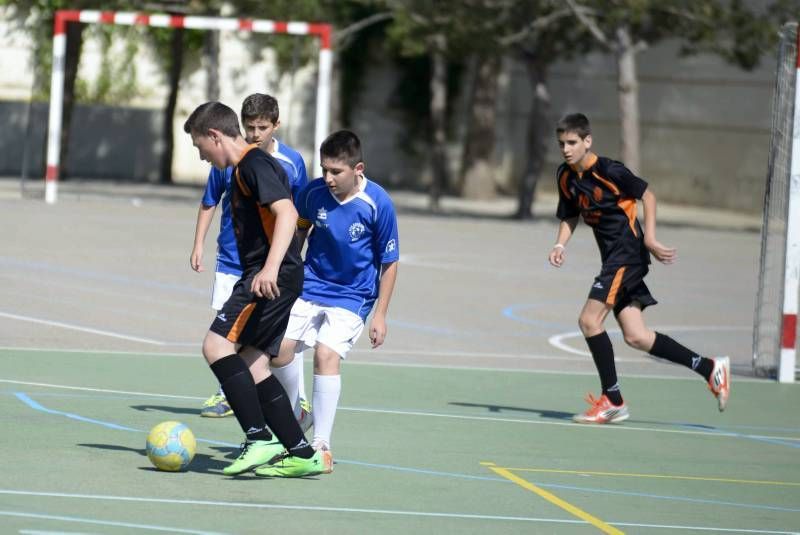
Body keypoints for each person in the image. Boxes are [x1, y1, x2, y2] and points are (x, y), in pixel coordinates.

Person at [548, 113, 730, 424]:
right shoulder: (566, 176)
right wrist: (560, 244)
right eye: (562, 143)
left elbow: (648, 195)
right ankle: (710, 368)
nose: (566, 148)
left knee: (589, 321)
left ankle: (612, 400)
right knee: (636, 336)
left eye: (572, 142)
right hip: (614, 259)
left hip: (627, 254)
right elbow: (570, 215)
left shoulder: (609, 170)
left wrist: (651, 238)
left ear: (587, 141)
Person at [184, 101, 331, 477]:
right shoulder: (242, 169)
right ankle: (302, 453)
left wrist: (268, 268)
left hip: (269, 277)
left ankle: (258, 438)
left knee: (215, 346)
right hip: (272, 274)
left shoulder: (253, 164)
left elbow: (286, 213)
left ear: (215, 136)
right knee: (252, 361)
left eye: (201, 147)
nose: (202, 157)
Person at [257, 130, 399, 471]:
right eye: (324, 169)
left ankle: (321, 446)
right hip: (311, 286)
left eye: (336, 171)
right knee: (278, 350)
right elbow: (300, 230)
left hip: (354, 295)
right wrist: (284, 272)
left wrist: (380, 315)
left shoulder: (378, 203)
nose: (328, 177)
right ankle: (295, 419)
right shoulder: (312, 194)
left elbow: (389, 262)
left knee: (325, 354)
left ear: (358, 168)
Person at [190, 93, 310, 421]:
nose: (256, 133)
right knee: (244, 349)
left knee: (233, 346)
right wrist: (199, 243)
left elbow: (292, 213)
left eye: (262, 127)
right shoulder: (230, 163)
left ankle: (279, 415)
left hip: (267, 270)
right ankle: (280, 431)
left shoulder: (271, 163)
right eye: (250, 127)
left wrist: (277, 264)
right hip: (235, 262)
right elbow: (210, 201)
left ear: (276, 126)